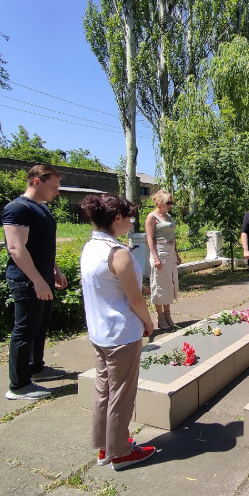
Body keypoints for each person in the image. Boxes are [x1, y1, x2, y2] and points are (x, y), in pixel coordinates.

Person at [80, 193, 156, 471]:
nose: (131, 223)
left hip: (99, 332)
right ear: (116, 219)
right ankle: (121, 452)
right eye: (128, 218)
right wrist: (148, 323)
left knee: (104, 391)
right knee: (122, 393)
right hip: (121, 334)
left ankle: (105, 447)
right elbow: (135, 299)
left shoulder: (91, 247)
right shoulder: (117, 252)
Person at [2, 165, 68, 400]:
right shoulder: (18, 209)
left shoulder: (41, 208)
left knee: (40, 325)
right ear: (37, 182)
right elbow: (16, 249)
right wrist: (38, 281)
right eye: (53, 187)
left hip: (44, 277)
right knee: (25, 329)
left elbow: (42, 246)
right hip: (27, 280)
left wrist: (55, 271)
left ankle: (36, 368)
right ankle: (18, 385)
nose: (57, 192)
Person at [145, 189, 181, 330]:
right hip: (159, 252)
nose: (170, 205)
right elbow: (149, 238)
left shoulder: (169, 216)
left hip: (170, 252)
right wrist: (155, 257)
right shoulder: (152, 217)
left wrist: (177, 253)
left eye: (171, 202)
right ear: (159, 203)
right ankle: (160, 316)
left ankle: (167, 314)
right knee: (159, 284)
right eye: (168, 202)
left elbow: (173, 236)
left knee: (170, 285)